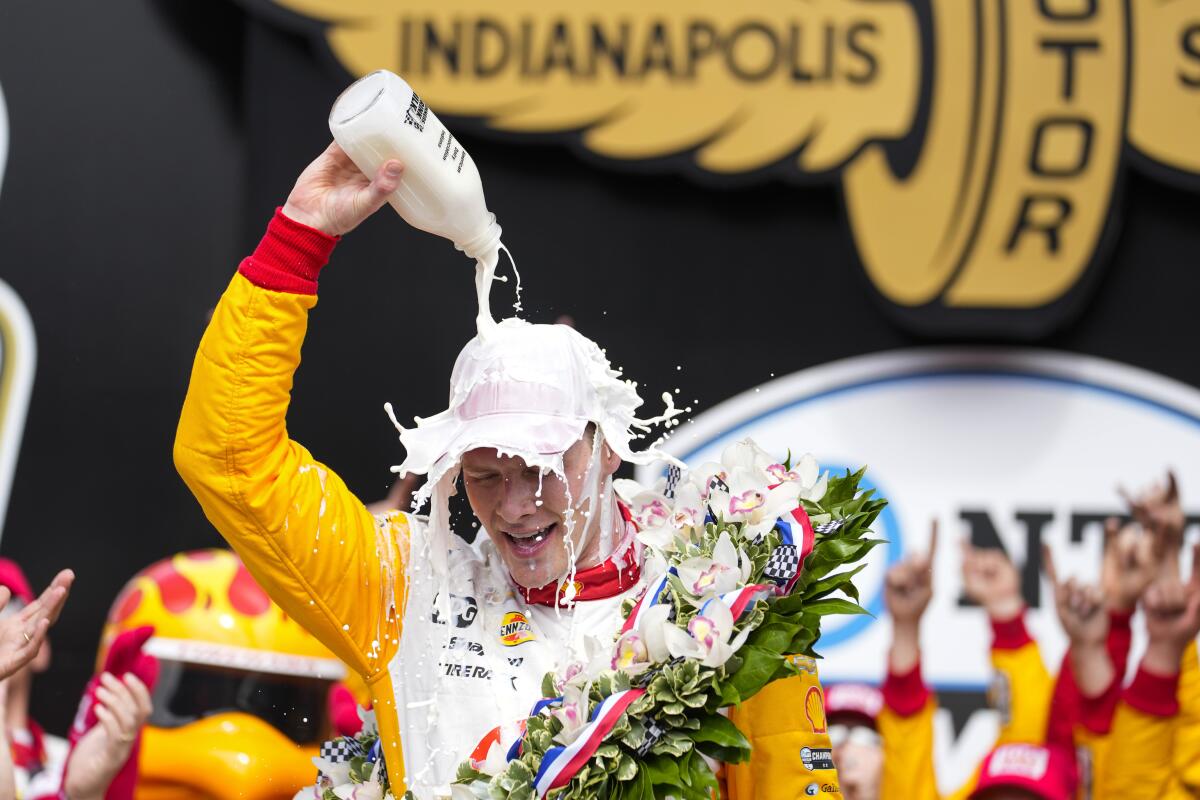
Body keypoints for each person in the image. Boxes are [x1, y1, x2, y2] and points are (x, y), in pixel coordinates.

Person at [174, 143, 842, 798]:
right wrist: (299, 237)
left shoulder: (728, 599)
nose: (514, 505)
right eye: (484, 475)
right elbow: (229, 462)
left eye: (541, 467)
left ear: (608, 447)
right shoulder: (406, 592)